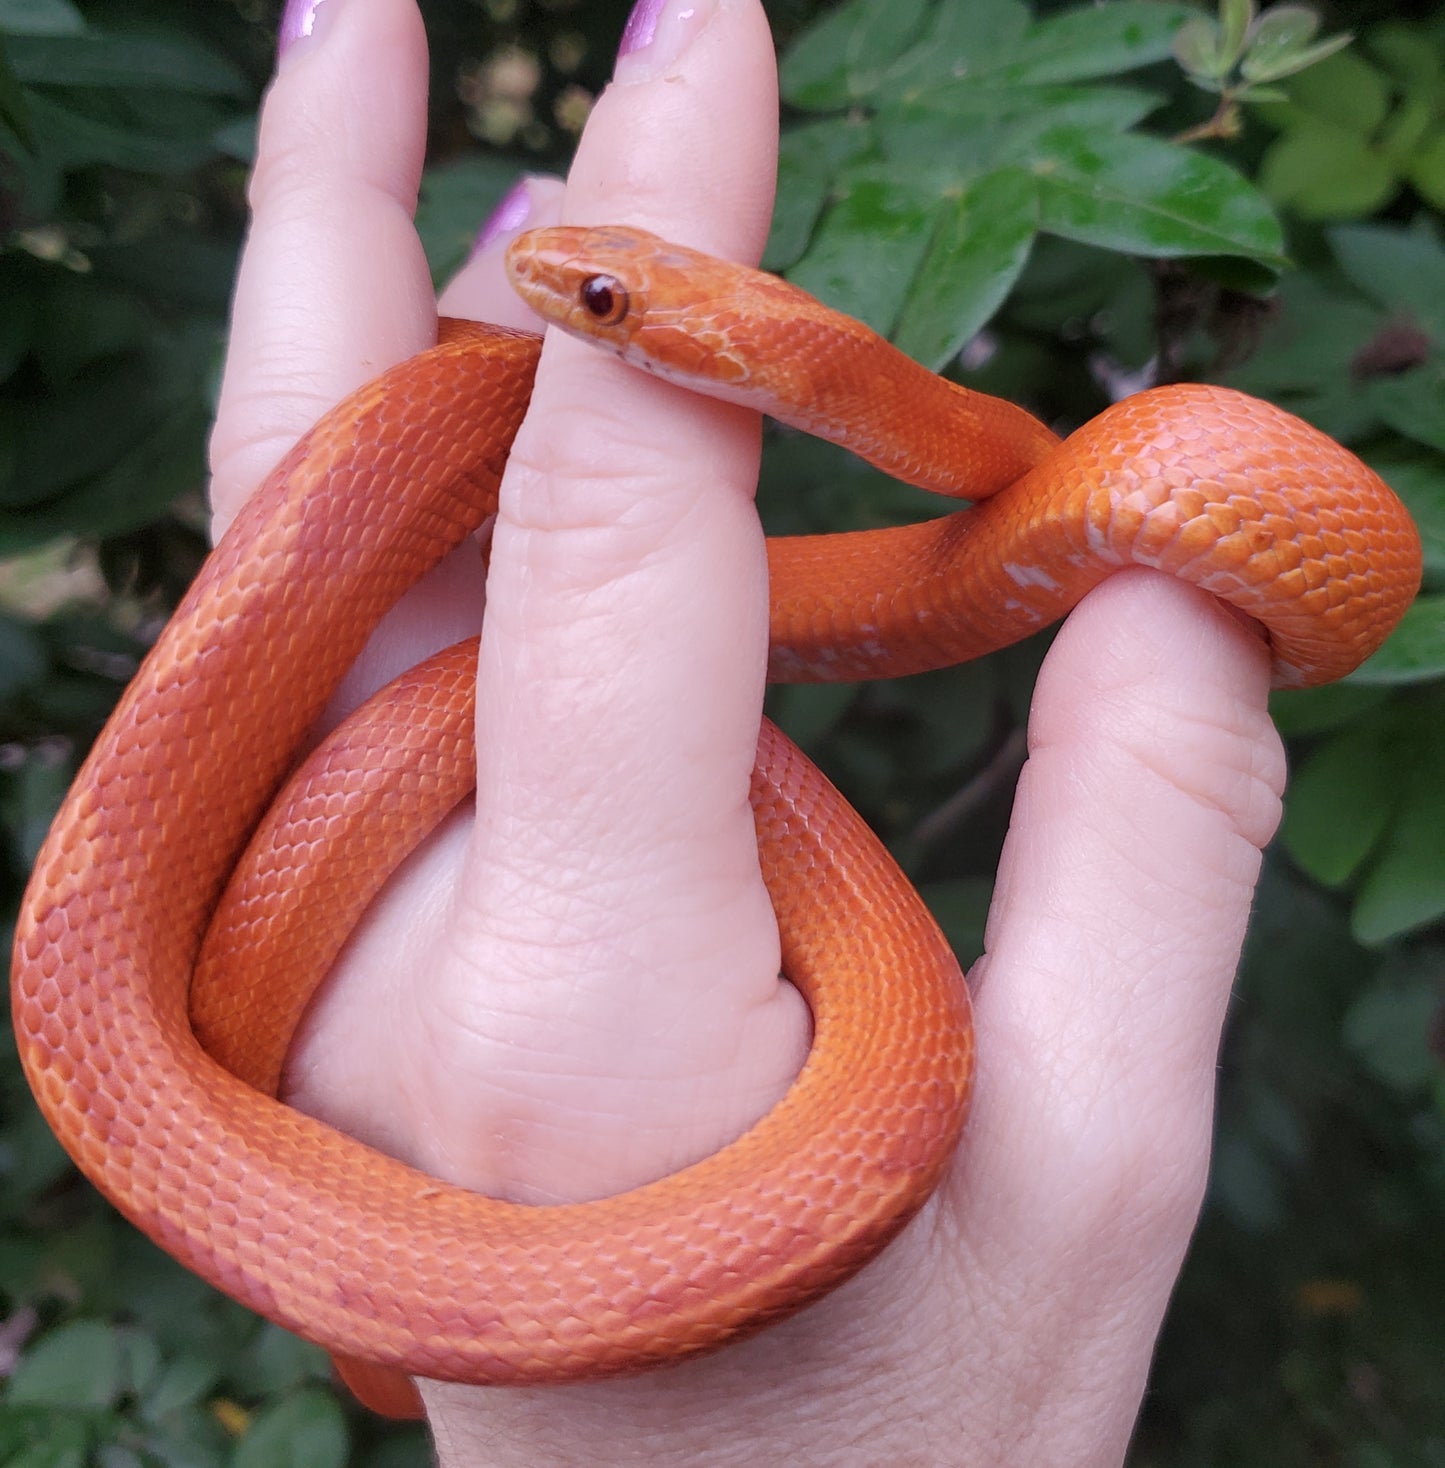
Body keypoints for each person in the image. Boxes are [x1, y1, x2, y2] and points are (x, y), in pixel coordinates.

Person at [210, 0, 1285, 1460]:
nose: (553, 288)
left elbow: (1023, 473)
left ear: (767, 369)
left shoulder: (942, 427)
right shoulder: (869, 416)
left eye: (605, 309)